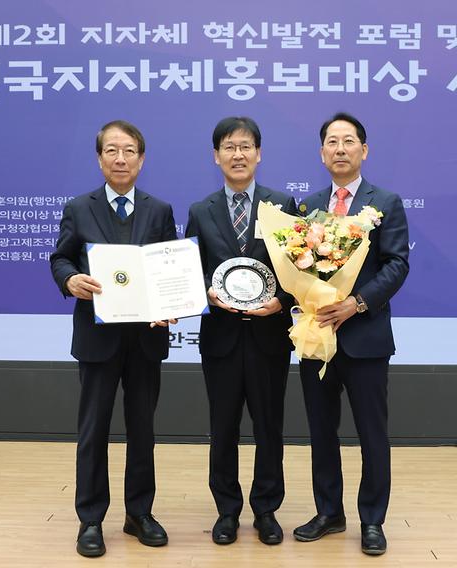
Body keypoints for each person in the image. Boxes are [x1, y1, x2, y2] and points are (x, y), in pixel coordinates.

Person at [50, 120, 177, 558]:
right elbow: (61, 258)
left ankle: (139, 513)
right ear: (99, 158)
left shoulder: (159, 210)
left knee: (143, 430)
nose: (120, 159)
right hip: (97, 339)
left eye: (129, 151)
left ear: (142, 159)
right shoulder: (78, 208)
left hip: (145, 340)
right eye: (111, 151)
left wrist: (170, 303)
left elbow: (168, 269)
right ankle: (90, 519)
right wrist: (70, 281)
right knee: (94, 431)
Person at [292, 112, 410, 556]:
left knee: (371, 433)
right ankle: (329, 512)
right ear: (322, 153)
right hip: (317, 337)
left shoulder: (387, 203)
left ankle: (372, 519)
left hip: (365, 338)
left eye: (348, 141)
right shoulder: (305, 208)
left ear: (364, 149)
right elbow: (295, 271)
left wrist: (356, 303)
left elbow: (397, 264)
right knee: (321, 430)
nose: (340, 149)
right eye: (332, 142)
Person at [185, 117, 297, 546]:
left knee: (270, 426)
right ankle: (227, 511)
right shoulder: (200, 211)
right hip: (222, 338)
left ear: (259, 154)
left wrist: (281, 304)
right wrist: (204, 296)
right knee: (224, 426)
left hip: (270, 336)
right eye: (229, 147)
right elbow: (190, 273)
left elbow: (298, 270)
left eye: (246, 146)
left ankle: (266, 510)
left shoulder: (282, 205)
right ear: (216, 156)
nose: (238, 154)